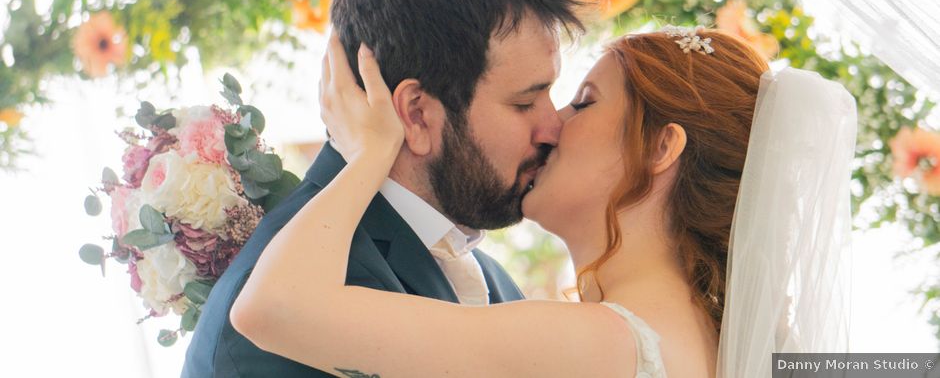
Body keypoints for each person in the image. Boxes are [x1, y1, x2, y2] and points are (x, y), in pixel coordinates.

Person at [232, 21, 857, 377]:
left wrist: (366, 152)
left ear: (662, 147)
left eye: (584, 102)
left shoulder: (604, 346)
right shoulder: (710, 343)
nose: (553, 123)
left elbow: (271, 310)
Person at [180, 0, 585, 377]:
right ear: (415, 113)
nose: (554, 127)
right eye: (525, 101)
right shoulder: (282, 315)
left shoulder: (492, 280)